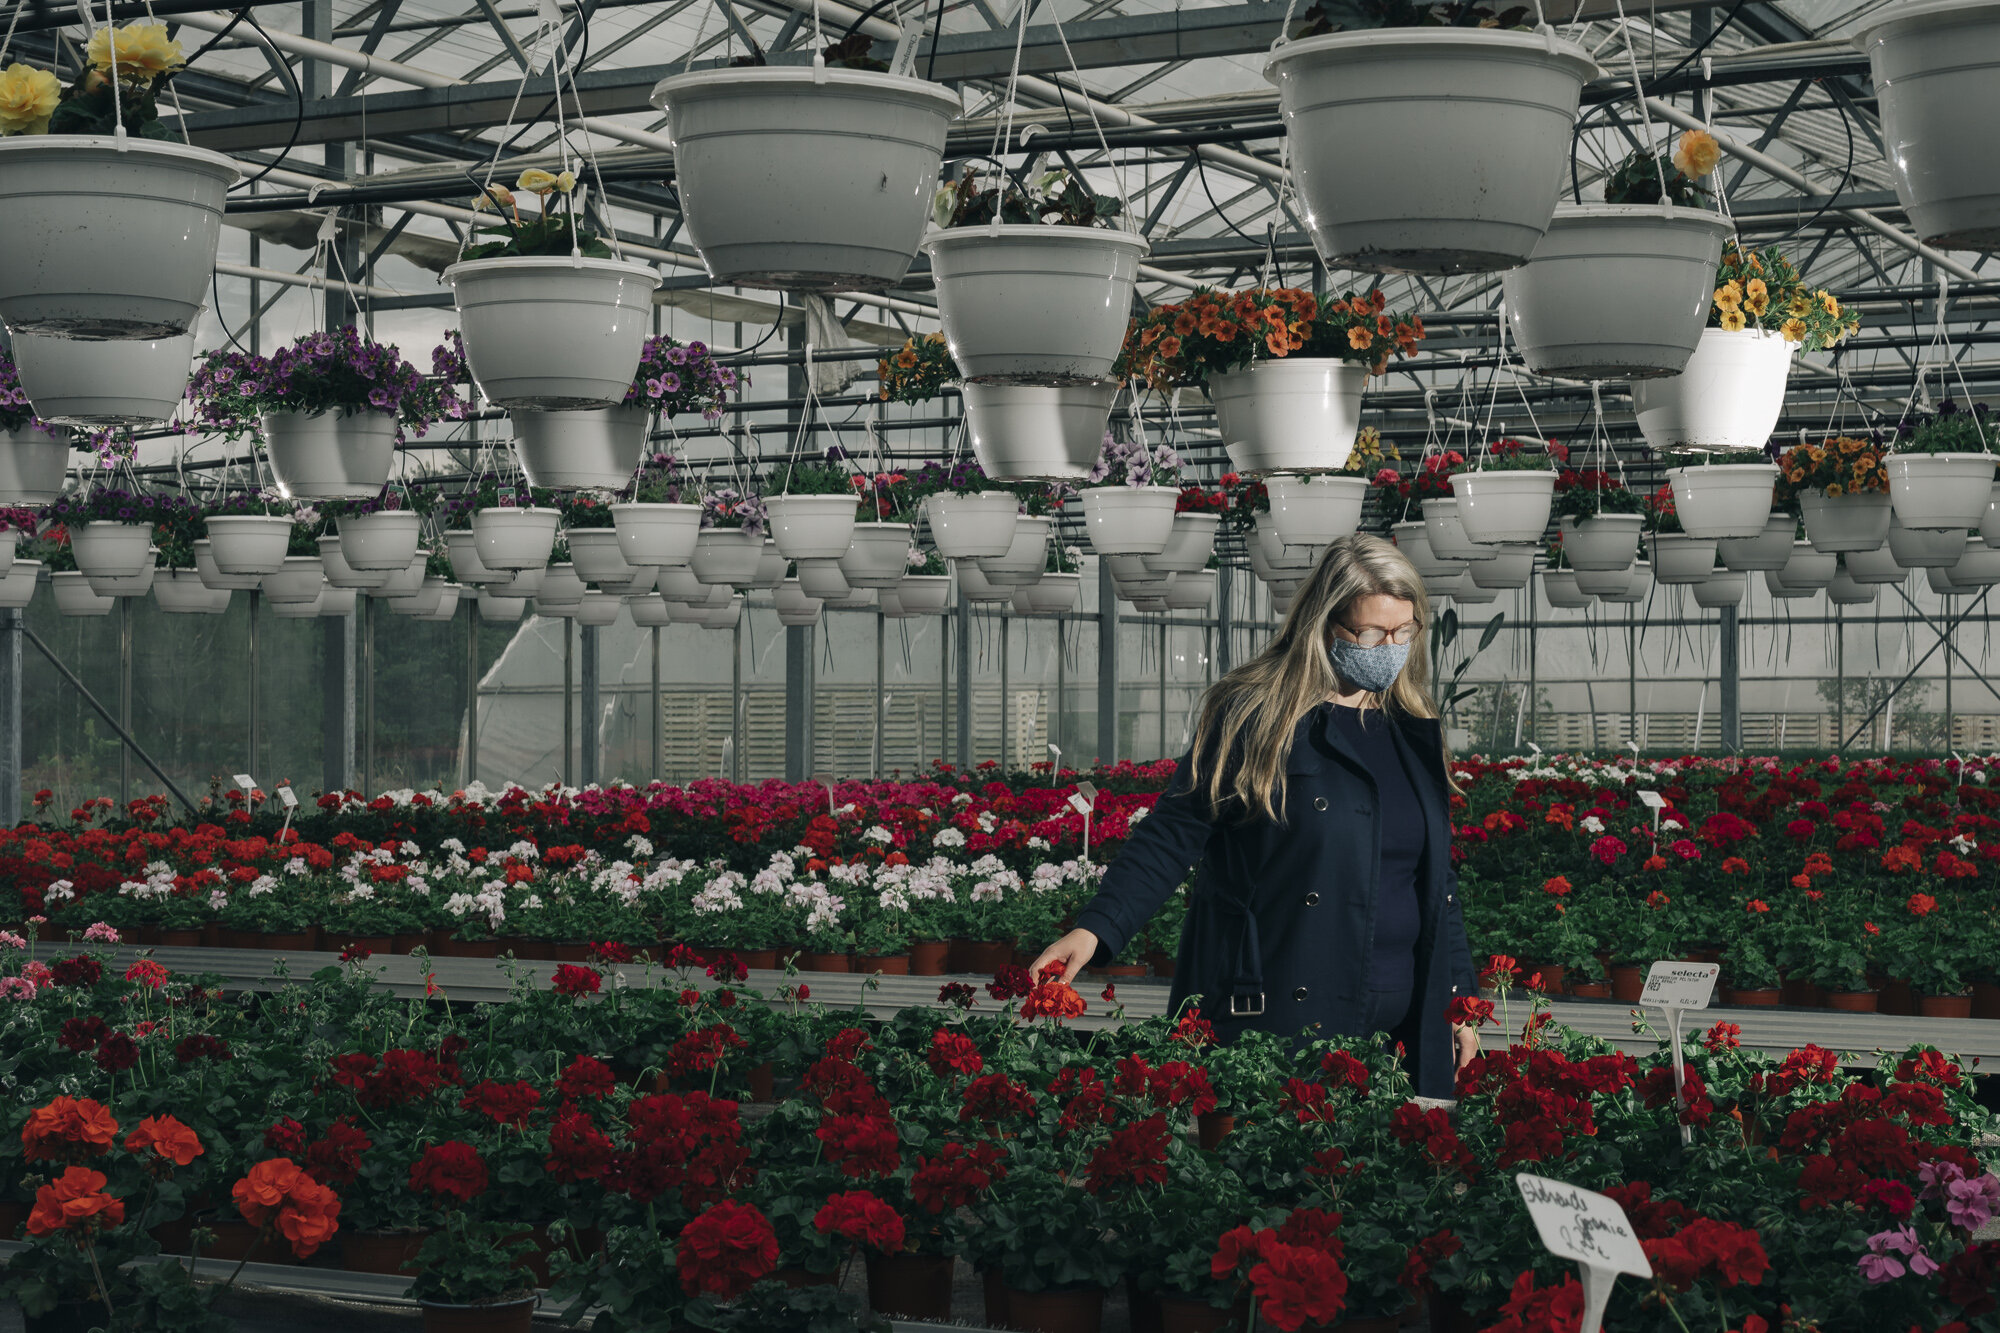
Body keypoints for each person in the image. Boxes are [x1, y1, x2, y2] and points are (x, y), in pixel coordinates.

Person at [1031, 532, 1480, 1098]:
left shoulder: (1408, 730)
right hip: (1281, 1002)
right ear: (1324, 625)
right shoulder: (1256, 713)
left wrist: (1460, 1000)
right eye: (1370, 633)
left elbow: (1437, 885)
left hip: (1400, 1023)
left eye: (1403, 633)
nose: (1388, 647)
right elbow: (1173, 832)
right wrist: (1096, 929)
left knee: (1390, 1181)